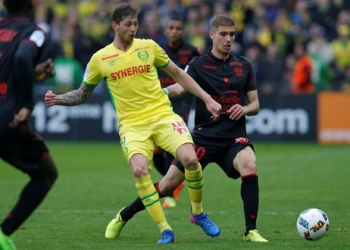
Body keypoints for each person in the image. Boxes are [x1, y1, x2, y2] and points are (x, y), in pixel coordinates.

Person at [44, 2, 221, 245]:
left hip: (162, 115)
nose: (133, 28)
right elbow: (83, 94)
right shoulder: (100, 59)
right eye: (128, 24)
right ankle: (165, 230)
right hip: (132, 125)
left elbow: (179, 74)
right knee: (139, 170)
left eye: (136, 23)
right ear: (115, 26)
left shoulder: (149, 47)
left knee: (190, 158)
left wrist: (208, 99)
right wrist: (58, 99)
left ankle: (198, 212)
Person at [105, 14, 269, 243]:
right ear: (212, 35)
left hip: (234, 136)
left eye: (232, 34)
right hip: (203, 137)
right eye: (223, 34)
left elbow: (256, 105)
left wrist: (245, 108)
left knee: (249, 163)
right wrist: (153, 96)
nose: (228, 39)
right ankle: (123, 216)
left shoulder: (244, 65)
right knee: (166, 185)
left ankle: (250, 231)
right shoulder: (199, 64)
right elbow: (178, 88)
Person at [0, 0, 58, 250]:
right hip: (7, 116)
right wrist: (27, 105)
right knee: (46, 174)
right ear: (32, 5)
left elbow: (11, 67)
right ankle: (4, 233)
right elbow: (23, 55)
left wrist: (32, 73)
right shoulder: (34, 31)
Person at [154, 14, 202, 208]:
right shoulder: (155, 50)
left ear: (183, 31)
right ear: (165, 30)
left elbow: (198, 75)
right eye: (171, 28)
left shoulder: (192, 52)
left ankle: (171, 195)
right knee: (156, 151)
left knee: (171, 149)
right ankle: (172, 183)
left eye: (178, 28)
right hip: (158, 103)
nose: (174, 32)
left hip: (181, 103)